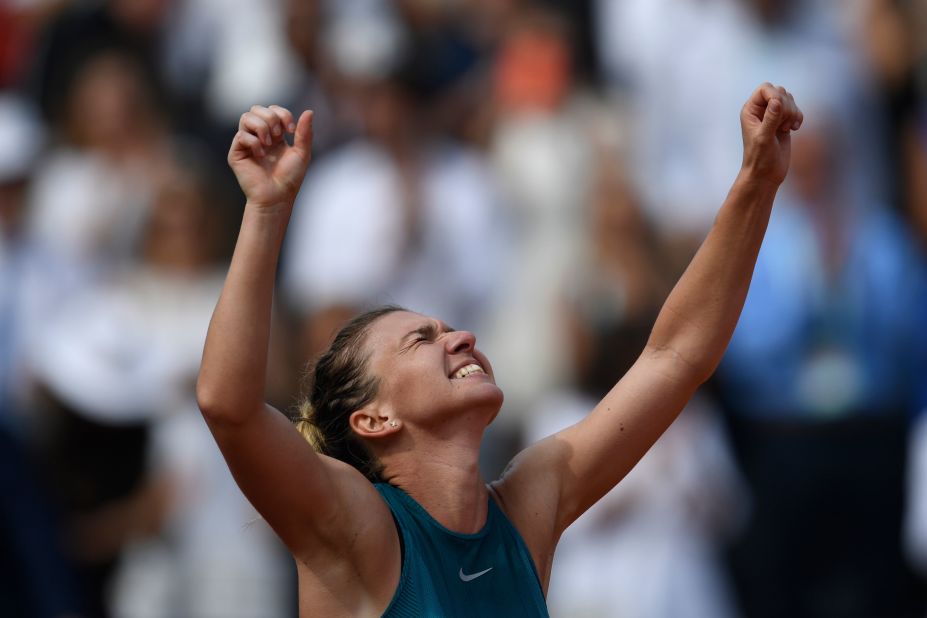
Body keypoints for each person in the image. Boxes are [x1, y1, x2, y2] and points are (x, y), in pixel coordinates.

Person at [197, 82, 803, 616]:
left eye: (447, 328)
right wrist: (267, 208)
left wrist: (756, 181)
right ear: (373, 418)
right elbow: (230, 406)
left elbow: (676, 356)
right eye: (421, 339)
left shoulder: (527, 507)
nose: (462, 337)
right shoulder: (357, 531)